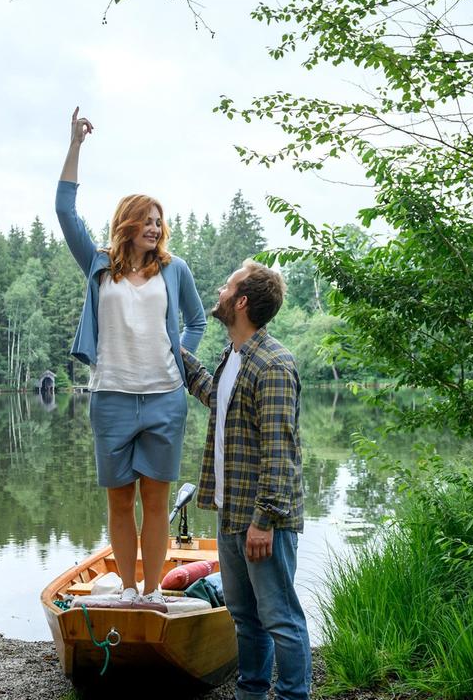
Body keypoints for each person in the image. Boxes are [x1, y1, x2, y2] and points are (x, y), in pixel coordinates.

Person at [55, 107, 207, 604]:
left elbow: (198, 320)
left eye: (160, 221)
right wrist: (75, 144)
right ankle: (126, 589)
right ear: (128, 223)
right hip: (112, 398)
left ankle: (152, 592)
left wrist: (177, 356)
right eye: (147, 219)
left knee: (157, 502)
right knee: (121, 502)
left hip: (165, 398)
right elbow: (64, 211)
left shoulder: (175, 269)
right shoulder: (100, 267)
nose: (156, 227)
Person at [180, 259, 310, 700]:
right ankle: (251, 693)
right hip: (230, 511)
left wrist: (265, 520)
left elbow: (281, 452)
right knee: (244, 616)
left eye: (226, 285)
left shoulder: (273, 364)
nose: (218, 290)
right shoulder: (233, 358)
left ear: (240, 301)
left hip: (262, 521)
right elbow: (210, 395)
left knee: (280, 618)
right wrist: (171, 350)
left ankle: (294, 695)